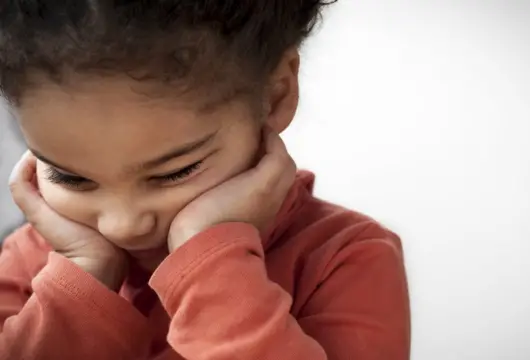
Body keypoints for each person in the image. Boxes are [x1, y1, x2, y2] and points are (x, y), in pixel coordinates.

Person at [0, 1, 411, 359]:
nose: (122, 225)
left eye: (174, 172)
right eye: (69, 177)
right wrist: (82, 280)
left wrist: (210, 263)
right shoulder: (27, 261)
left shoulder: (345, 260)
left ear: (277, 94)